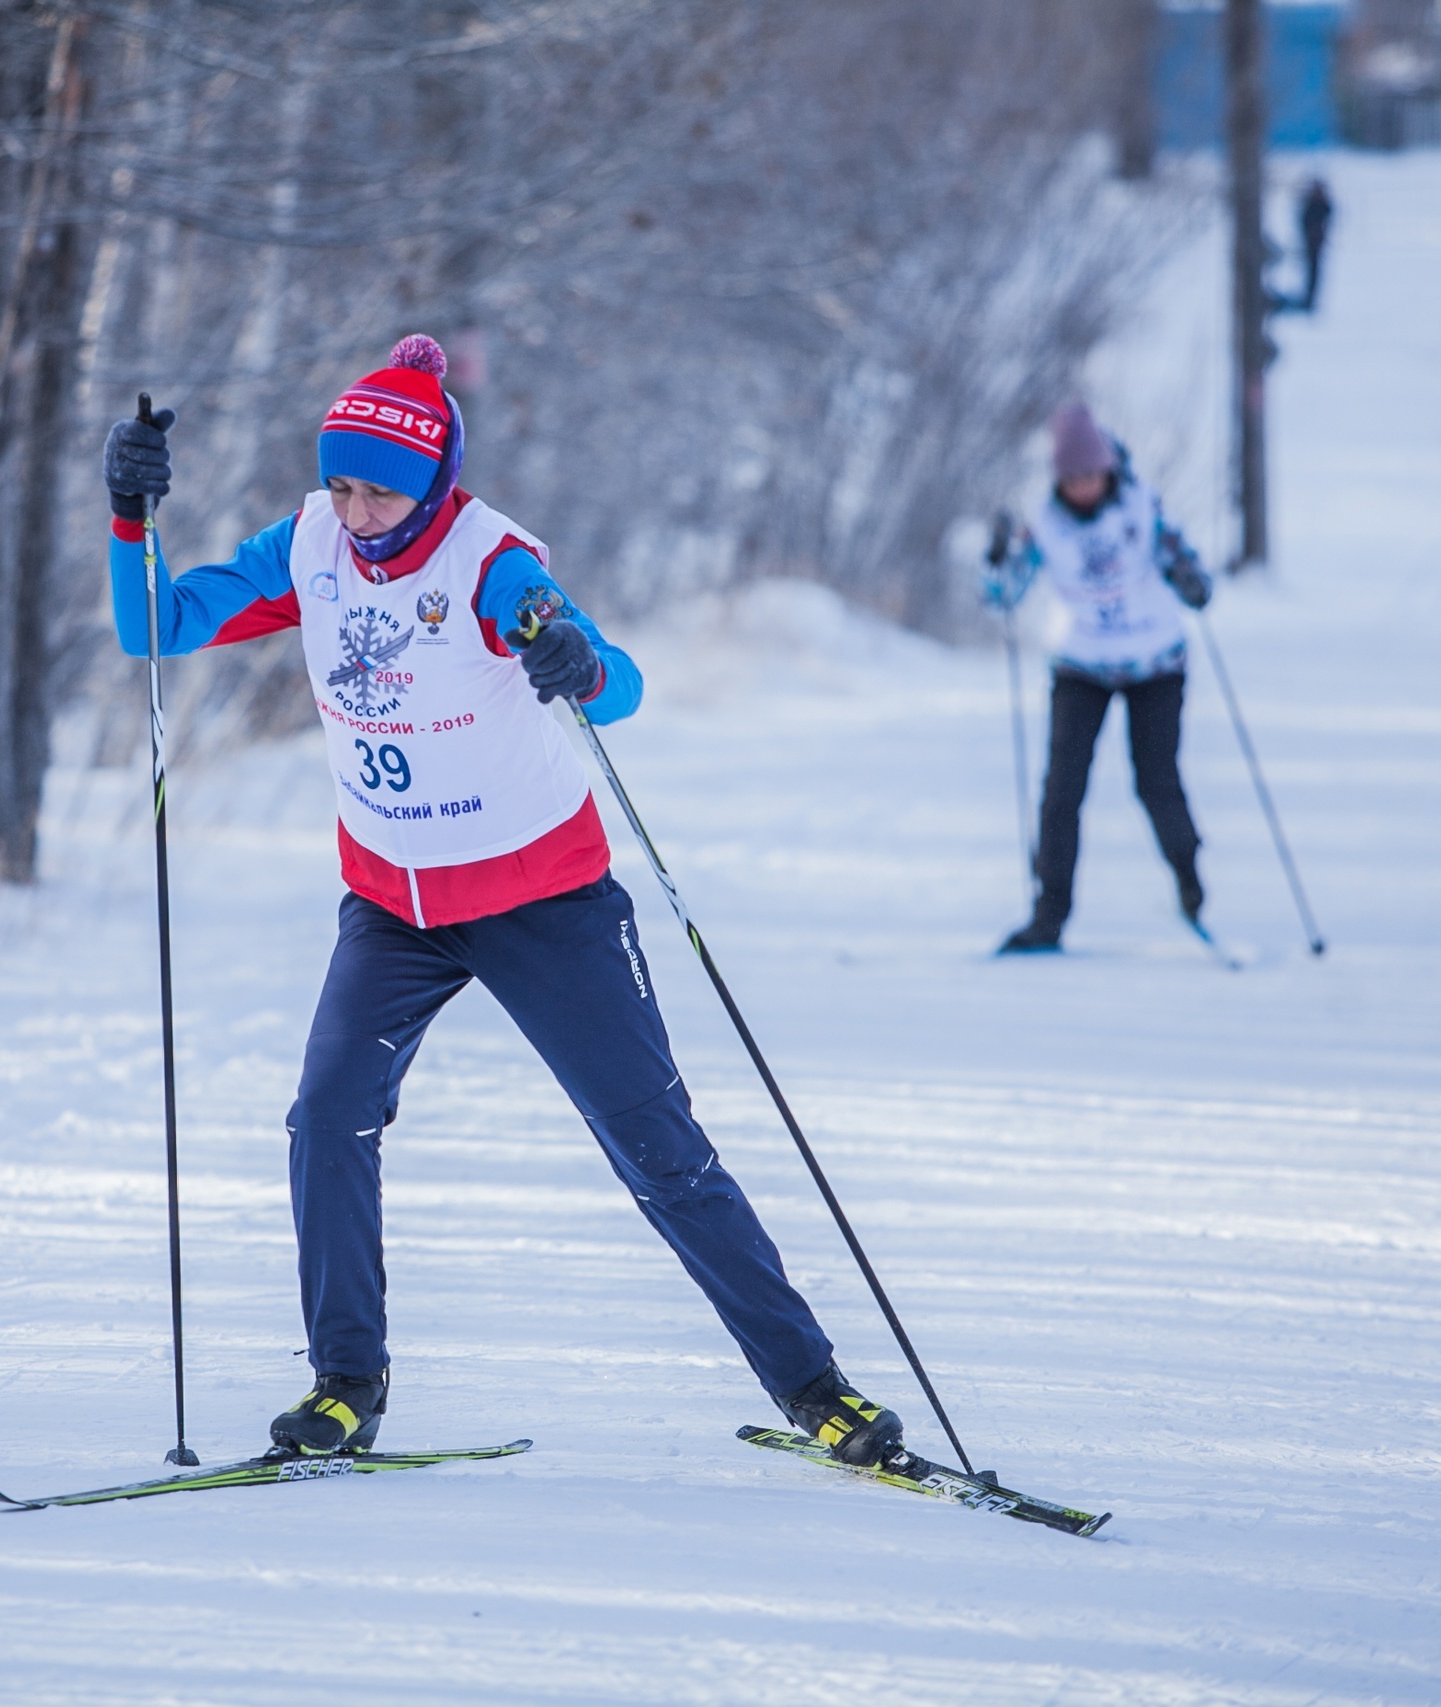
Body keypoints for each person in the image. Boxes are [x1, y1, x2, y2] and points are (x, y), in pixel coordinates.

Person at [97, 335, 903, 1469]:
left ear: (431, 482)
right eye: (339, 481)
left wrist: (575, 658)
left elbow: (613, 686)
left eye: (379, 487)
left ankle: (816, 1389)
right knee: (327, 1118)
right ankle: (344, 1385)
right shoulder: (310, 546)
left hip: (543, 899)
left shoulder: (488, 564)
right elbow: (155, 629)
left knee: (657, 1150)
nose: (357, 506)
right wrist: (131, 518)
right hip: (392, 905)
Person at [982, 404, 1212, 954]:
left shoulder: (1141, 509)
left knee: (1155, 779)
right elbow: (1001, 595)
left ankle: (1187, 874)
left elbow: (1197, 584)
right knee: (1062, 790)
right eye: (1072, 477)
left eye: (1091, 475)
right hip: (1081, 665)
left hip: (1155, 663)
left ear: (1107, 472)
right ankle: (1049, 914)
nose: (1083, 486)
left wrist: (1187, 578)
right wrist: (995, 556)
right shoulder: (1043, 524)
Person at [1296, 175, 1334, 312]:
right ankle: (1307, 299)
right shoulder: (1310, 205)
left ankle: (1311, 300)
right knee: (1309, 271)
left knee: (1315, 272)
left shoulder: (1322, 205)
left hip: (1318, 245)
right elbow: (1304, 222)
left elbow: (1329, 214)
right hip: (1309, 244)